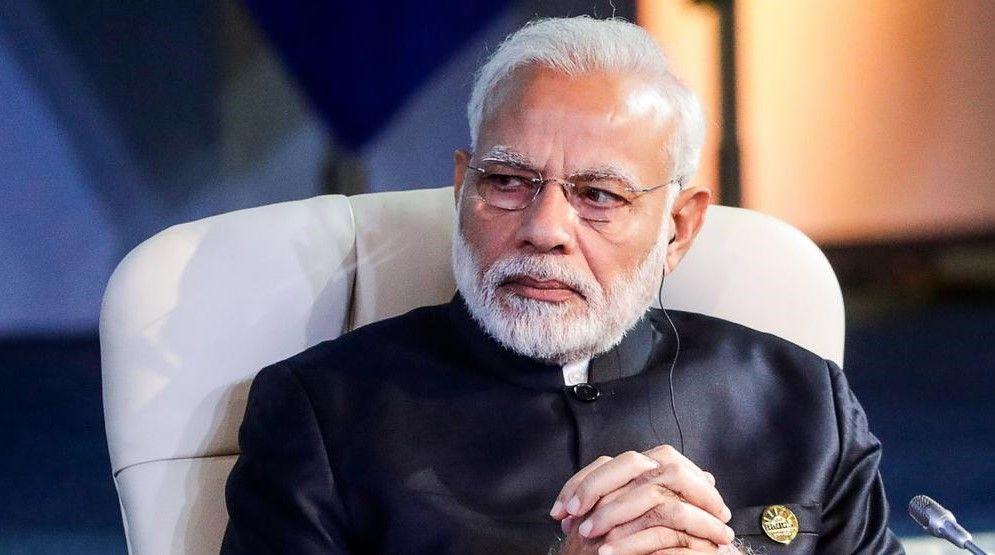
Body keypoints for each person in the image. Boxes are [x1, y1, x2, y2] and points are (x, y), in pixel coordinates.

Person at [221, 17, 903, 554]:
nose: (543, 229)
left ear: (678, 229)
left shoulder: (803, 404)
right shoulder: (322, 414)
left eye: (598, 195)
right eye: (507, 181)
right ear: (461, 188)